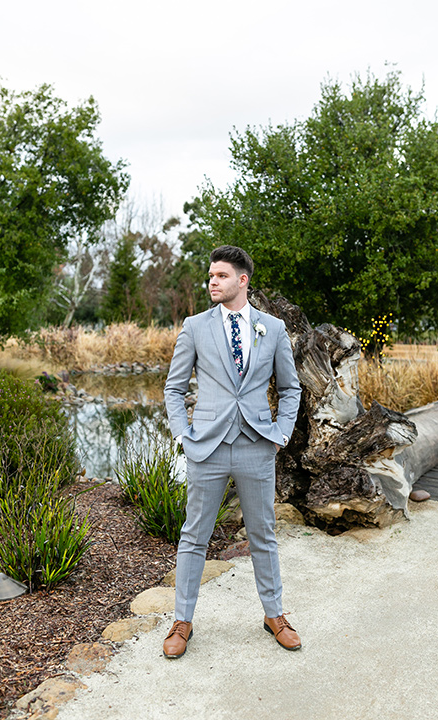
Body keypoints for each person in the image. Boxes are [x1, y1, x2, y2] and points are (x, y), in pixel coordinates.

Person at [163, 244, 302, 658]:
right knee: (193, 536)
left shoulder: (273, 328)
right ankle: (182, 621)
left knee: (264, 535)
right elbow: (173, 388)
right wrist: (183, 434)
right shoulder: (194, 326)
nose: (212, 281)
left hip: (257, 446)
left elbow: (291, 388)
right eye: (210, 276)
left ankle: (274, 615)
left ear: (243, 280)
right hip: (206, 446)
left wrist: (280, 433)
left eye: (221, 276)